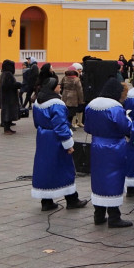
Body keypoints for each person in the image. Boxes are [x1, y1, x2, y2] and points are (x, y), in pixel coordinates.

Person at [84, 78, 134, 228]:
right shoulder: (115, 108)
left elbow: (87, 127)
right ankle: (114, 216)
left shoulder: (91, 106)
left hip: (97, 145)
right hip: (114, 148)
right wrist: (131, 120)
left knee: (99, 179)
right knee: (114, 179)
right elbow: (126, 127)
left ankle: (98, 214)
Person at [31, 78, 87, 211]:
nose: (60, 87)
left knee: (45, 168)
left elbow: (36, 123)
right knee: (65, 168)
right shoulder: (57, 104)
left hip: (43, 138)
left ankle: (46, 201)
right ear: (53, 87)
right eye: (58, 86)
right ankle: (72, 199)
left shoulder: (38, 102)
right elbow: (61, 126)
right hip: (56, 139)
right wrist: (69, 144)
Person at [0, 59, 22, 134]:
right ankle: (7, 129)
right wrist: (17, 85)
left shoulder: (4, 73)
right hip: (9, 97)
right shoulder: (8, 74)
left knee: (7, 111)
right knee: (8, 112)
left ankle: (7, 126)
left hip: (7, 96)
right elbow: (7, 85)